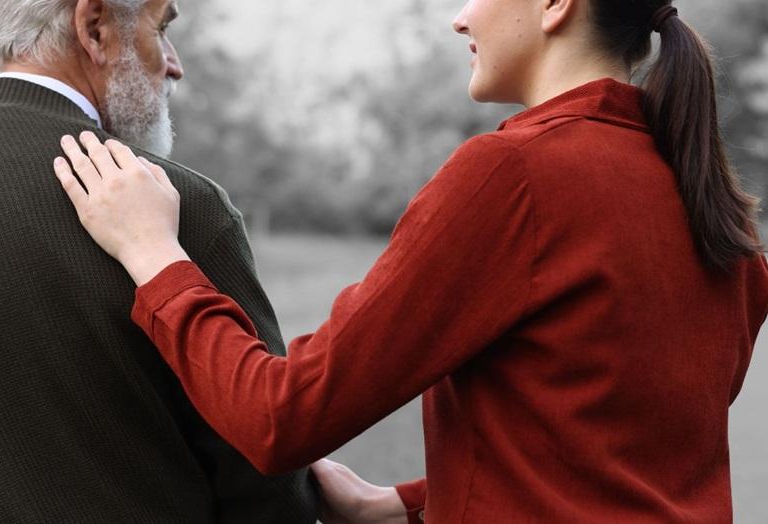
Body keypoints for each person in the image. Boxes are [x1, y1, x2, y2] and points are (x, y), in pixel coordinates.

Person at [52, 0, 768, 523]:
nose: (460, 19)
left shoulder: (515, 175)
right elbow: (611, 453)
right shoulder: (713, 208)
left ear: (556, 6)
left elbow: (281, 416)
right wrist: (402, 504)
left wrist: (154, 255)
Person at [0, 0, 318, 522]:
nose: (174, 64)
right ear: (95, 28)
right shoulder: (178, 207)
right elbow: (265, 482)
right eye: (161, 28)